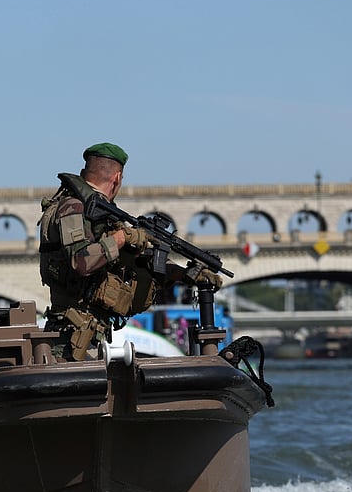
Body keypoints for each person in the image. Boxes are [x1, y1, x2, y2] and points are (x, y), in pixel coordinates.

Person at [37, 142, 221, 362]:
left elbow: (138, 263)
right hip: (69, 339)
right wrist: (122, 237)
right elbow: (81, 261)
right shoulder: (72, 207)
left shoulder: (99, 216)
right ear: (117, 178)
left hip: (87, 336)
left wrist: (185, 274)